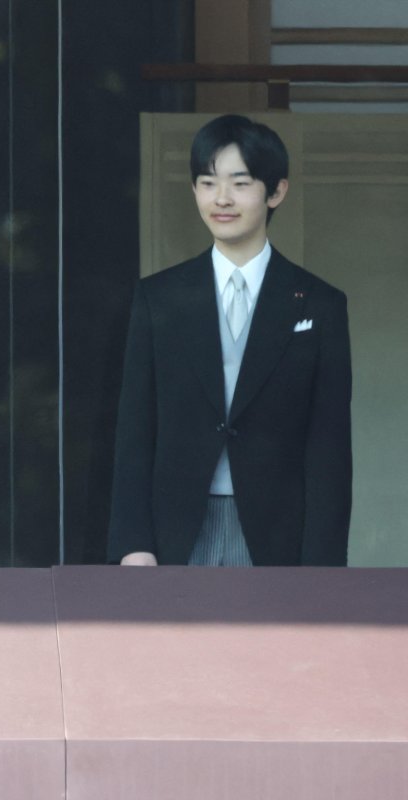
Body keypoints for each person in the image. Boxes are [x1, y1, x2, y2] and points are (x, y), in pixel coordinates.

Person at [108, 115, 352, 567]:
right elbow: (135, 429)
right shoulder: (157, 298)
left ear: (276, 190)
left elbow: (330, 447)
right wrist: (132, 543)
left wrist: (323, 561)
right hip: (175, 530)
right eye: (207, 182)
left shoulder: (320, 305)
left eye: (240, 183)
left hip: (280, 532)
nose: (221, 199)